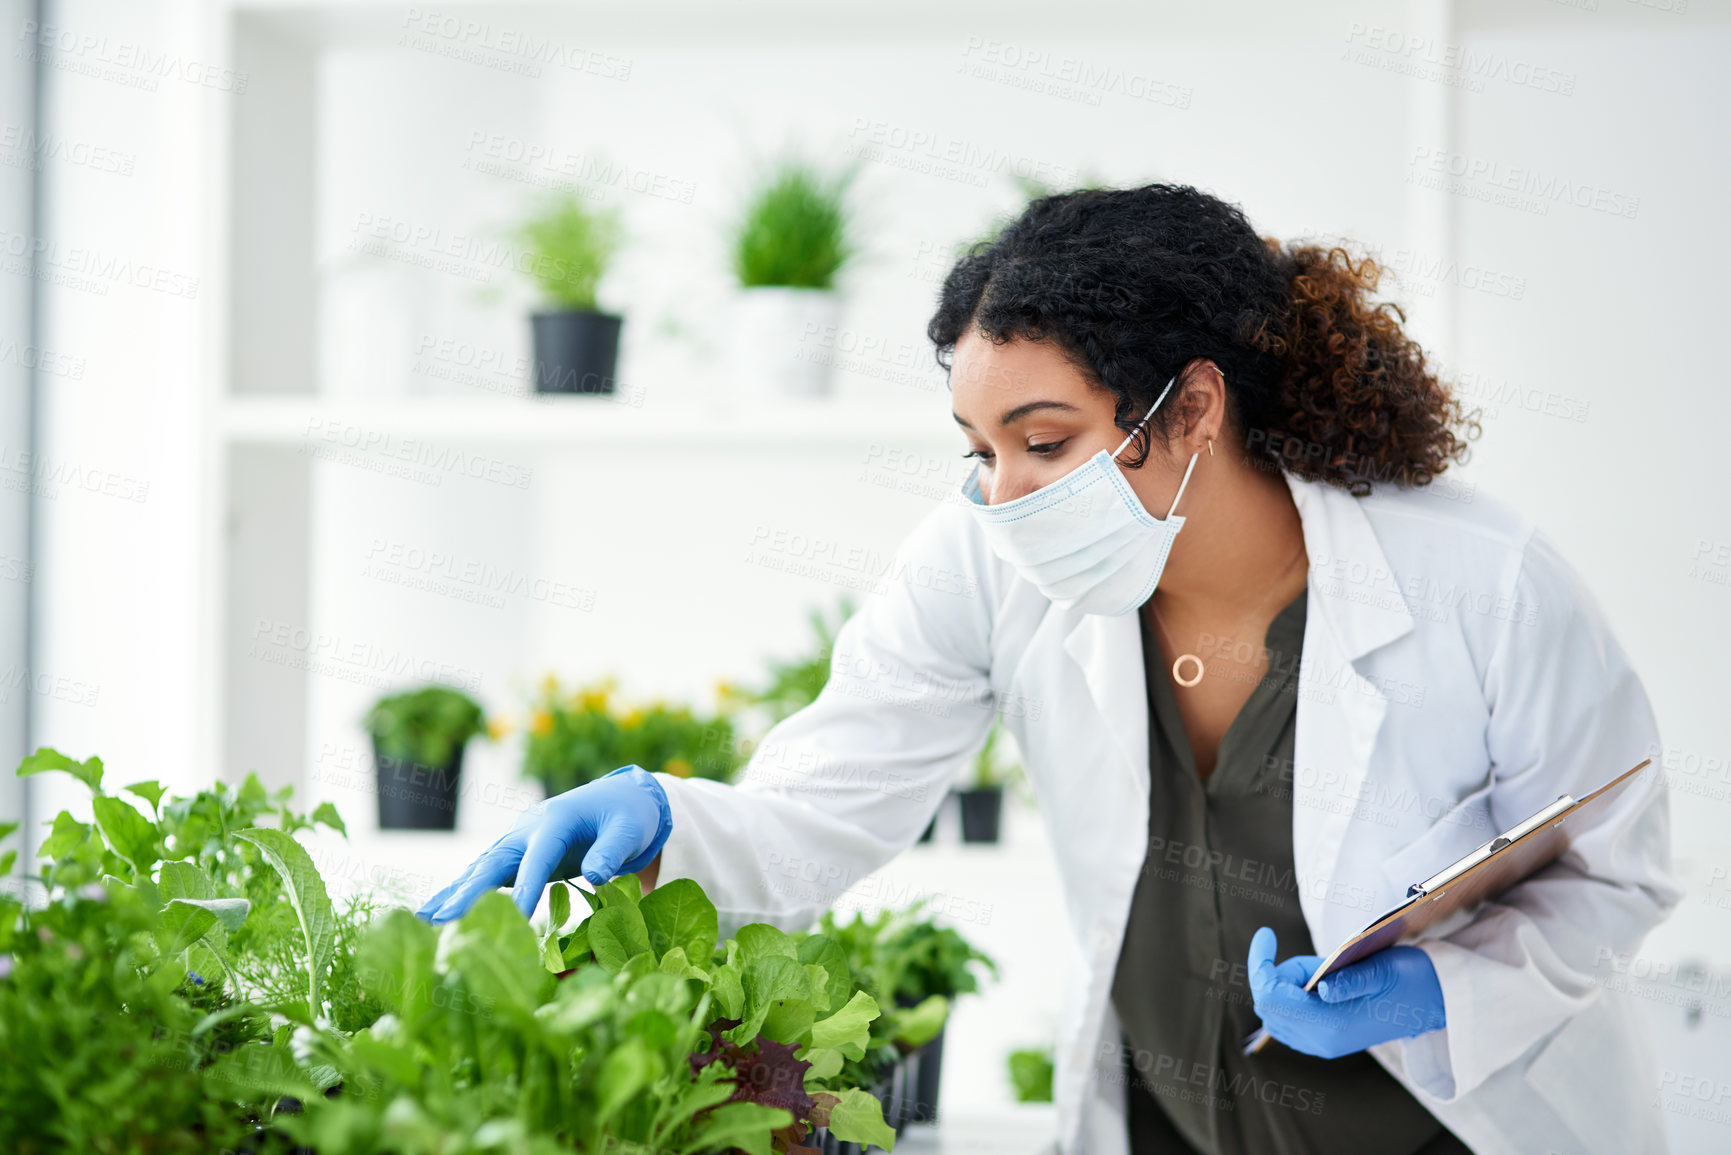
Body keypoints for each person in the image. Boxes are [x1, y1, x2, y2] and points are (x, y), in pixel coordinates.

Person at [418, 184, 1679, 1155]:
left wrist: (1431, 987)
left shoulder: (1482, 582)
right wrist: (671, 818)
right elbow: (826, 798)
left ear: (1192, 410)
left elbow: (1616, 869)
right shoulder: (985, 560)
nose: (1002, 496)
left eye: (1044, 440)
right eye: (978, 447)